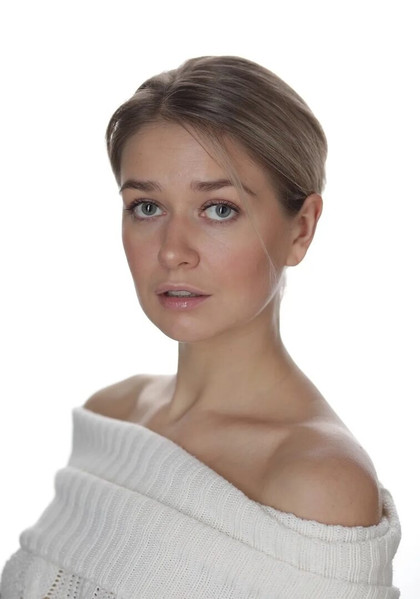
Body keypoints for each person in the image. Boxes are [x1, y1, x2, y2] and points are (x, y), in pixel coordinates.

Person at [0, 56, 401, 598]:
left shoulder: (316, 481)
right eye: (146, 207)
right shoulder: (111, 413)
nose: (172, 251)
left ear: (301, 229)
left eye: (218, 209)